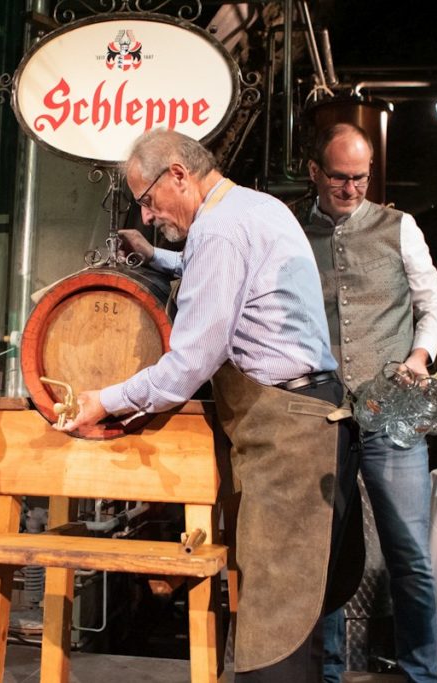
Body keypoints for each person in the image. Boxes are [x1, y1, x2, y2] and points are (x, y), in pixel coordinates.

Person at [60, 128, 359, 681]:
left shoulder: (220, 232)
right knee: (292, 616)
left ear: (178, 172)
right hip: (311, 420)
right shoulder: (250, 208)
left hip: (289, 436)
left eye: (148, 200)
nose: (147, 216)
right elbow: (228, 274)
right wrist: (159, 259)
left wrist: (105, 399)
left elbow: (187, 364)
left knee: (277, 631)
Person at [304, 122, 437, 683]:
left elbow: (433, 305)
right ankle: (331, 673)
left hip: (391, 413)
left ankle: (422, 674)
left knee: (409, 554)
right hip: (322, 415)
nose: (351, 188)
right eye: (339, 177)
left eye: (361, 177)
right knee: (330, 557)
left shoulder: (399, 227)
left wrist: (420, 355)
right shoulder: (294, 231)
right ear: (315, 172)